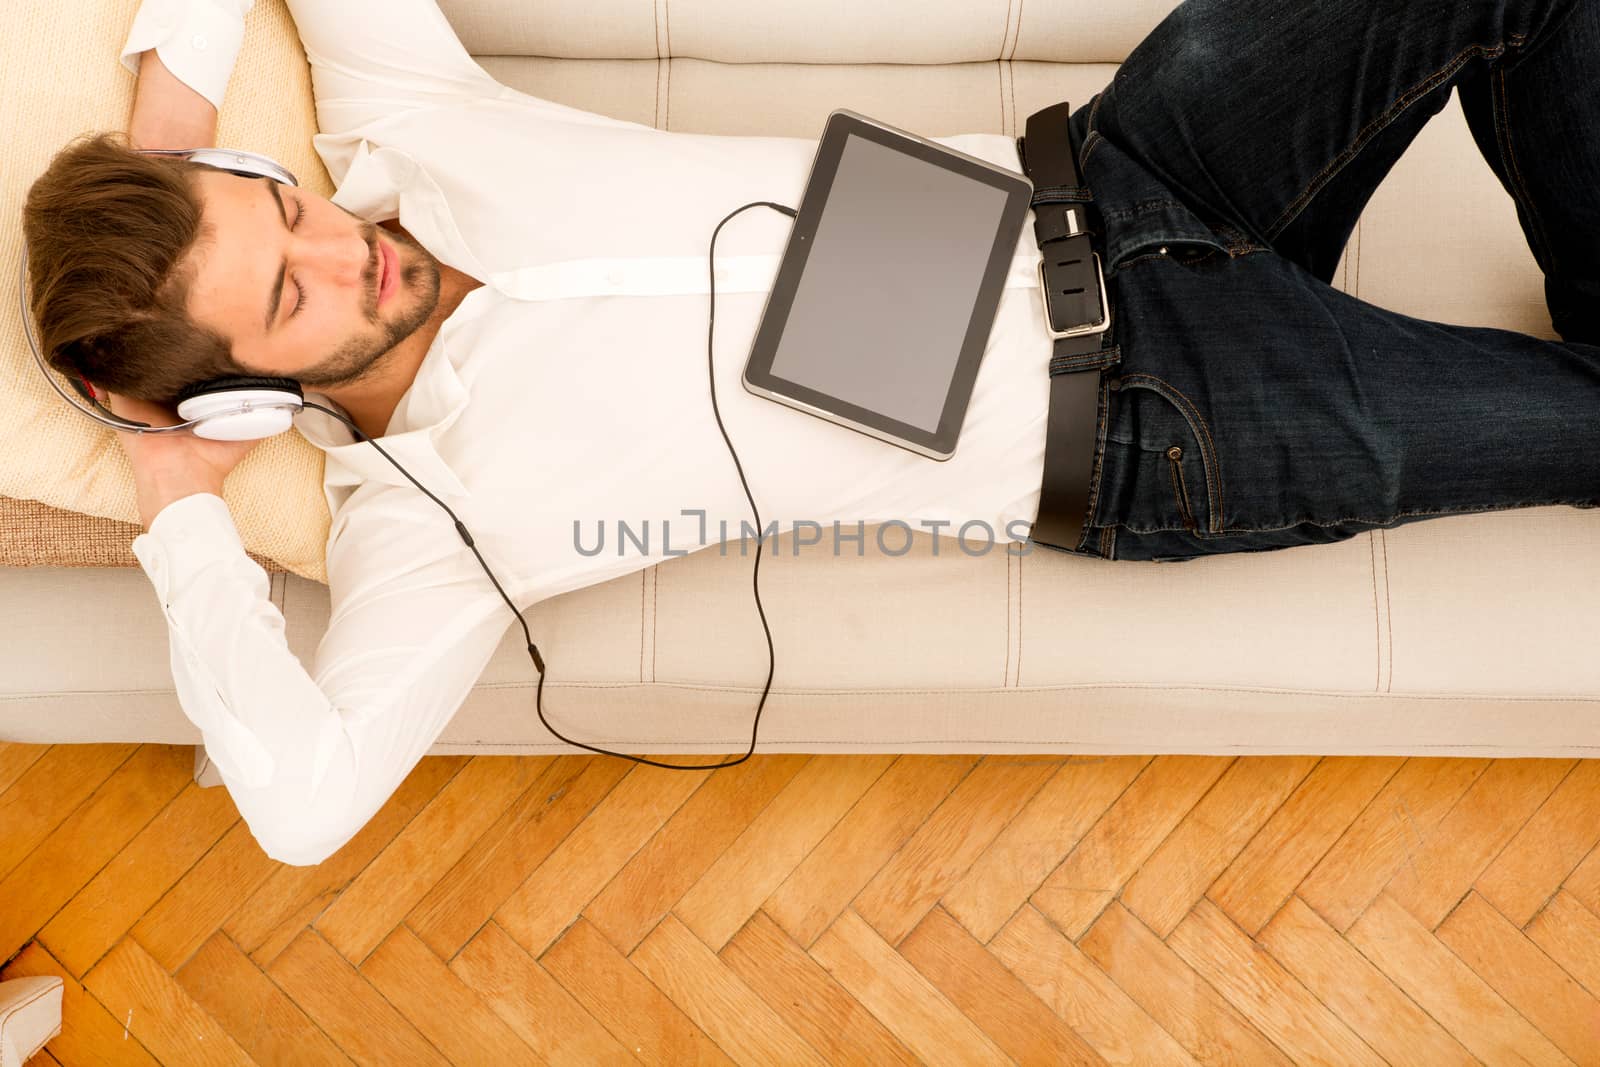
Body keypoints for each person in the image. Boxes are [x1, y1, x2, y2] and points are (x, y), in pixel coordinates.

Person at [21, 0, 1599, 864]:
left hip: (1123, 173)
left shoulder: (404, 129)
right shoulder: (427, 532)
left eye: (281, 211)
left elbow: (267, 164)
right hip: (1158, 416)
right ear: (240, 400)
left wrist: (165, 139)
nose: (339, 251)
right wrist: (179, 513)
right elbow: (300, 807)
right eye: (286, 303)